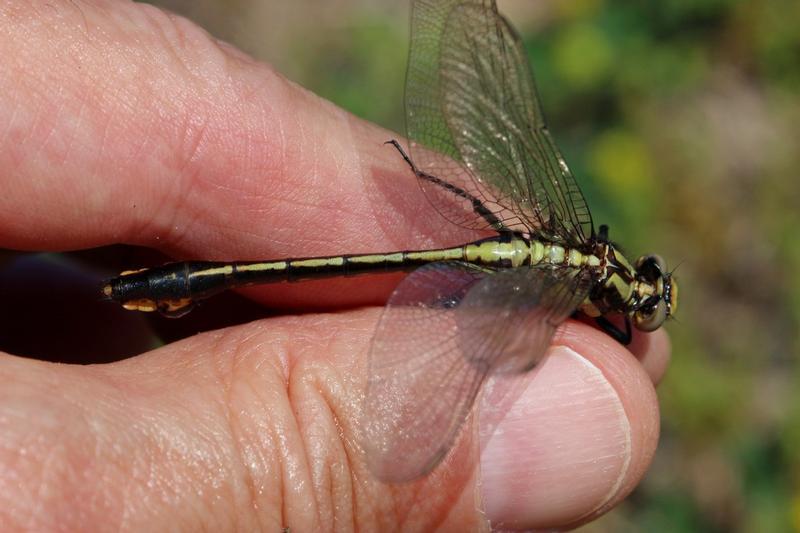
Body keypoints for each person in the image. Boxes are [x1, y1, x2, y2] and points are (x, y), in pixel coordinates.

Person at [0, 1, 670, 530]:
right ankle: (180, 281)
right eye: (638, 300)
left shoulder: (572, 255)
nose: (632, 307)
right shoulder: (577, 291)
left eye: (638, 299)